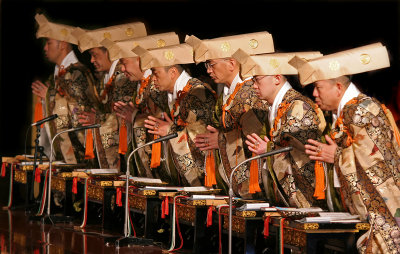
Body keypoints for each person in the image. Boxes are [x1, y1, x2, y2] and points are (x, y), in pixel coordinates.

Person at [290, 43, 400, 253]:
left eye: (318, 87)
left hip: (383, 212)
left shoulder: (360, 111)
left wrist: (338, 155)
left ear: (338, 88)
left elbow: (377, 164)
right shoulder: (348, 112)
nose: (313, 93)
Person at [233, 49, 328, 208]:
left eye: (257, 80)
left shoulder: (298, 106)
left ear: (277, 78)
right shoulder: (274, 107)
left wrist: (268, 149)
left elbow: (304, 153)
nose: (254, 86)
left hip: (305, 199)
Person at [186, 32, 273, 198]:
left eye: (211, 64)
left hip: (253, 184)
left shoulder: (250, 93)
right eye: (207, 66)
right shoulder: (231, 93)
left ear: (231, 64)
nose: (209, 70)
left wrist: (220, 140)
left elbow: (254, 139)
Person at [133, 43, 216, 186]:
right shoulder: (170, 94)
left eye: (156, 73)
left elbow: (200, 136)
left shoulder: (197, 93)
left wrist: (170, 131)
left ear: (172, 73)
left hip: (203, 179)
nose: (152, 79)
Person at [100, 33, 180, 181]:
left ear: (140, 60)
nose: (122, 69)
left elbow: (164, 119)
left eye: (124, 63)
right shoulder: (140, 84)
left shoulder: (158, 85)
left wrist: (137, 117)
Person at [71, 22, 146, 169]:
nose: (92, 60)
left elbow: (123, 113)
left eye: (94, 55)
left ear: (109, 52)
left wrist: (98, 118)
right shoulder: (106, 78)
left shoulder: (123, 76)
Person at [32, 14, 96, 164]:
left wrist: (49, 95)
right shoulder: (56, 75)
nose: (45, 48)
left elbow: (80, 109)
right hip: (58, 152)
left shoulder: (77, 72)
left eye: (48, 43)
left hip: (78, 154)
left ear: (62, 44)